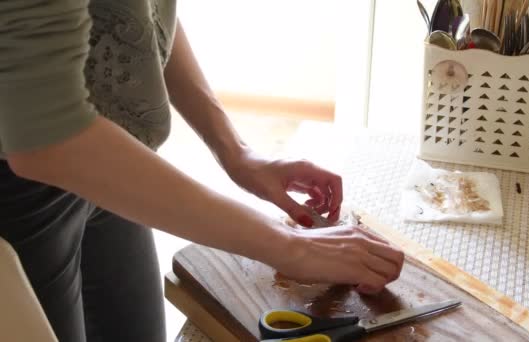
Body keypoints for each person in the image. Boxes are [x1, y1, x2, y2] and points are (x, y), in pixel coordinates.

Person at [0, 1, 405, 341]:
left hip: (116, 159)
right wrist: (291, 246)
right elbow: (46, 139)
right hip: (21, 191)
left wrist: (236, 152)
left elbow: (143, 15)